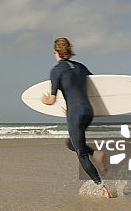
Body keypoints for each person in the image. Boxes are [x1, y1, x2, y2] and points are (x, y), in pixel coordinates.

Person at [41, 37, 111, 198]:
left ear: (55, 51)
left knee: (81, 154)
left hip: (75, 114)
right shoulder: (81, 67)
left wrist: (44, 100)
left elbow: (52, 100)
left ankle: (102, 188)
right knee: (70, 143)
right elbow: (95, 88)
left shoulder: (56, 71)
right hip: (88, 112)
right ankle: (96, 153)